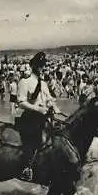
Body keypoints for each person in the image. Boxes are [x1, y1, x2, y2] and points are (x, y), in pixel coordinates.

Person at [17, 52, 60, 181]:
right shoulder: (25, 82)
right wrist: (39, 109)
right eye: (38, 65)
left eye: (43, 65)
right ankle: (27, 167)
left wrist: (55, 108)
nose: (41, 68)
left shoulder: (44, 84)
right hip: (30, 117)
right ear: (33, 66)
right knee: (36, 137)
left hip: (44, 116)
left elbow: (49, 100)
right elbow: (21, 102)